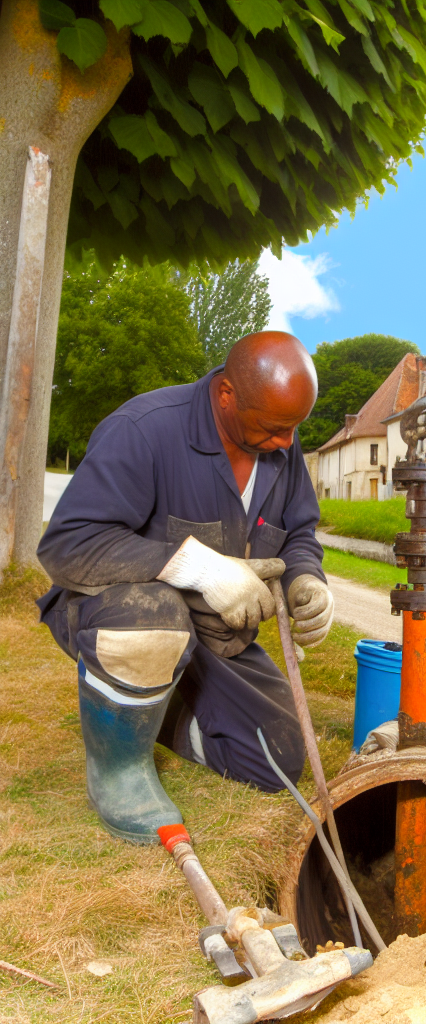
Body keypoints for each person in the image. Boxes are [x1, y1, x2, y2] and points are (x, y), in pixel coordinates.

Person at [36, 331, 334, 844]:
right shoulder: (144, 429)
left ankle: (142, 708)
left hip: (212, 639)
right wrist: (199, 569)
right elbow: (67, 545)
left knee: (276, 760)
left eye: (293, 429)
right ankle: (118, 769)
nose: (287, 444)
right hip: (123, 617)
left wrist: (308, 579)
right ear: (226, 395)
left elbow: (300, 531)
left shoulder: (278, 438)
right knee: (156, 617)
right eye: (273, 428)